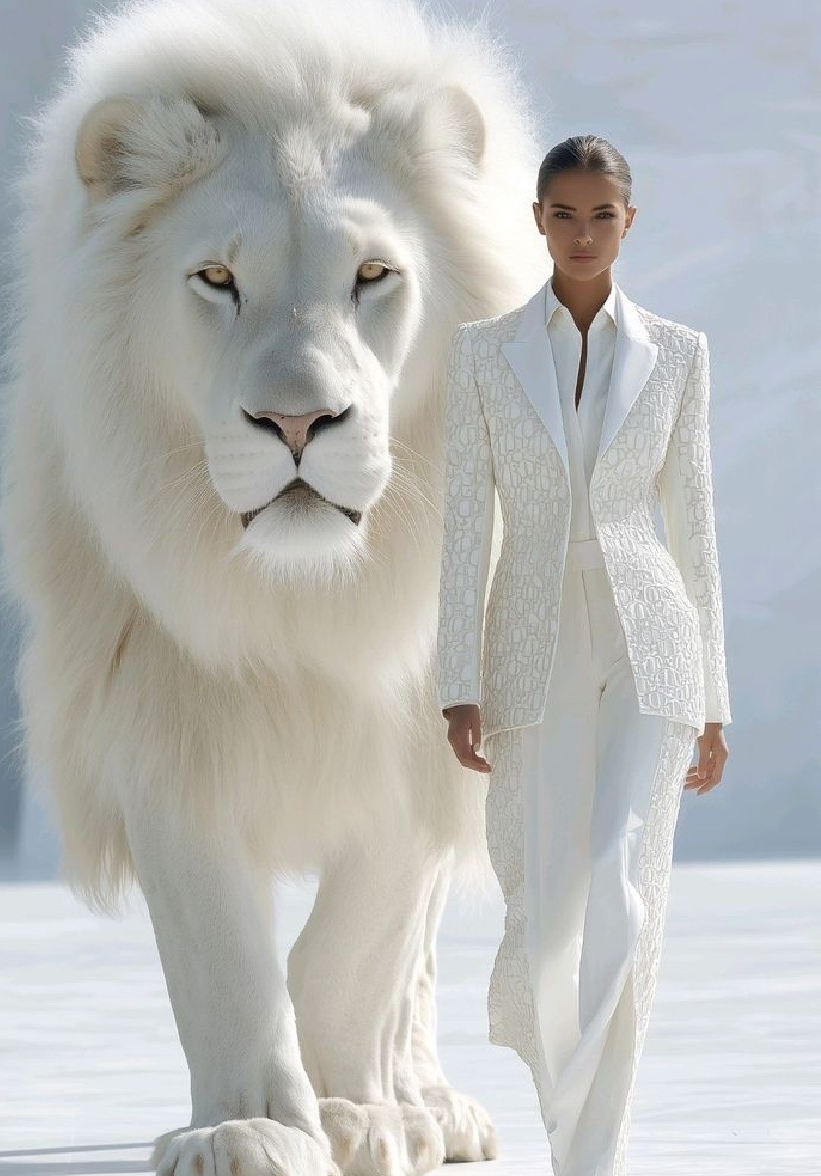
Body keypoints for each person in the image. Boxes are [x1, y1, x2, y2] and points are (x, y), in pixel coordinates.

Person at [435, 134, 732, 1176]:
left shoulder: (679, 354)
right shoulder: (483, 354)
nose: (582, 234)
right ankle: (573, 1123)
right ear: (537, 219)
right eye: (563, 213)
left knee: (620, 875)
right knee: (549, 903)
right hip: (529, 639)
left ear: (629, 222)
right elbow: (464, 527)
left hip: (653, 641)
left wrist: (716, 701)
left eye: (602, 215)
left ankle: (591, 1150)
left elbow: (694, 530)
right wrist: (456, 684)